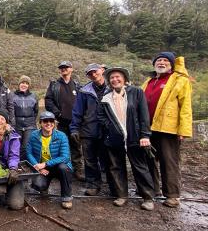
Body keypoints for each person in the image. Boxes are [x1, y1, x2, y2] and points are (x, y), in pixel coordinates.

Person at [98, 67, 155, 211]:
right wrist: (110, 127)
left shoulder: (136, 92)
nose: (115, 80)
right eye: (111, 78)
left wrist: (145, 135)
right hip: (115, 138)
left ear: (124, 78)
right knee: (116, 167)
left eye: (118, 77)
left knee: (140, 166)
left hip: (135, 136)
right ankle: (121, 195)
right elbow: (101, 116)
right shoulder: (106, 97)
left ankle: (147, 197)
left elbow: (144, 115)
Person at [142, 52, 192, 208]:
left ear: (171, 64)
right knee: (148, 160)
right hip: (148, 128)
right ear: (154, 64)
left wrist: (183, 130)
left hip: (168, 129)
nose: (161, 63)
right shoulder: (149, 81)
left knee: (168, 161)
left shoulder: (180, 80)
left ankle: (172, 195)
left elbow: (186, 106)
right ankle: (153, 190)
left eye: (165, 61)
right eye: (158, 60)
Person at [70, 63, 108, 196]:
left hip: (108, 130)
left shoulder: (112, 87)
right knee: (90, 159)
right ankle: (93, 184)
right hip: (88, 130)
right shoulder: (84, 91)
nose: (93, 74)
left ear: (102, 70)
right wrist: (74, 128)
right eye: (90, 73)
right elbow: (77, 111)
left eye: (95, 71)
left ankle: (112, 183)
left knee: (109, 158)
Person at [44, 61, 83, 180]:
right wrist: (57, 113)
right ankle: (61, 170)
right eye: (61, 68)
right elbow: (48, 100)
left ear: (71, 69)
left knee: (76, 146)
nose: (63, 69)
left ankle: (78, 171)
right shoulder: (54, 84)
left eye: (66, 67)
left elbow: (82, 101)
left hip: (75, 122)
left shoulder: (76, 84)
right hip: (60, 122)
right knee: (59, 146)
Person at [26, 111, 73, 209]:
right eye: (45, 121)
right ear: (40, 123)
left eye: (51, 121)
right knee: (39, 185)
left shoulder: (61, 136)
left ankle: (67, 197)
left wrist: (45, 164)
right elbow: (29, 153)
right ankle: (44, 187)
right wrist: (38, 166)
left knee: (63, 168)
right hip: (42, 167)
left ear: (54, 123)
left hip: (57, 166)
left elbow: (65, 157)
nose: (48, 123)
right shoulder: (34, 135)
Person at [12, 75, 39, 160]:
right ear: (19, 84)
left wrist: (31, 122)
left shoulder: (33, 96)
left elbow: (36, 111)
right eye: (22, 83)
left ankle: (25, 163)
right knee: (16, 146)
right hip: (17, 125)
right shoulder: (12, 95)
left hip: (30, 126)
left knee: (26, 146)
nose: (24, 85)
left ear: (29, 85)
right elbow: (10, 110)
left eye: (26, 83)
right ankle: (16, 164)